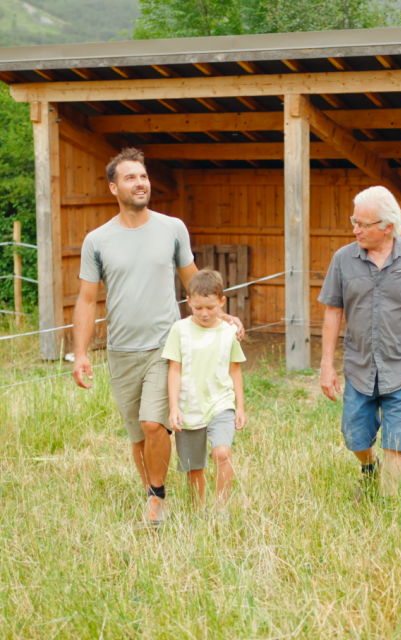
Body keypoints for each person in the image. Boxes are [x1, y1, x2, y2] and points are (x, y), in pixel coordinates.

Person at [72, 148, 244, 527]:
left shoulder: (172, 228)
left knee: (154, 424)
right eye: (131, 177)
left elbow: (194, 281)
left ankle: (157, 498)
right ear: (113, 187)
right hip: (120, 350)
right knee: (137, 434)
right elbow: (86, 300)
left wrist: (220, 313)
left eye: (144, 176)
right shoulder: (97, 240)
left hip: (165, 346)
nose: (140, 183)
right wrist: (80, 352)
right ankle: (154, 495)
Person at [319, 185, 401, 499]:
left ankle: (389, 510)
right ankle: (368, 467)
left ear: (388, 227)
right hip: (359, 368)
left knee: (396, 442)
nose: (355, 229)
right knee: (355, 437)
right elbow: (333, 312)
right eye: (354, 221)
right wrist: (326, 365)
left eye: (363, 224)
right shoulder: (343, 259)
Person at [162, 269, 246, 520]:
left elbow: (235, 369)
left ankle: (222, 508)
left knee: (222, 452)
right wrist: (174, 407)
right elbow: (174, 370)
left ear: (222, 303)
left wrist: (240, 406)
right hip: (189, 405)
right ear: (188, 301)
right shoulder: (179, 330)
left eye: (210, 307)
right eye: (198, 308)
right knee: (193, 465)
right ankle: (198, 511)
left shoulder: (228, 332)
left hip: (221, 402)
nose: (204, 314)